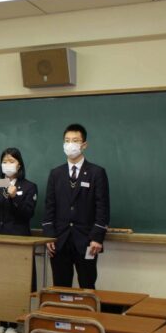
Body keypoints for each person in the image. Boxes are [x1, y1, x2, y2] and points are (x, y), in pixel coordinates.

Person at [42, 123, 110, 289]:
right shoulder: (56, 173)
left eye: (75, 140)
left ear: (84, 145)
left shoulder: (96, 172)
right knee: (60, 288)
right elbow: (49, 207)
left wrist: (97, 238)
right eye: (67, 140)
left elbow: (102, 207)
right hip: (60, 241)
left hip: (87, 242)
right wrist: (49, 236)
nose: (70, 144)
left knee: (87, 286)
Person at [0, 147, 38, 333]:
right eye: (4, 161)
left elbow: (27, 214)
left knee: (16, 282)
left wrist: (14, 198)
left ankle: (14, 323)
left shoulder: (29, 187)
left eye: (11, 161)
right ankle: (1, 322)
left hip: (17, 240)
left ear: (19, 164)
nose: (7, 164)